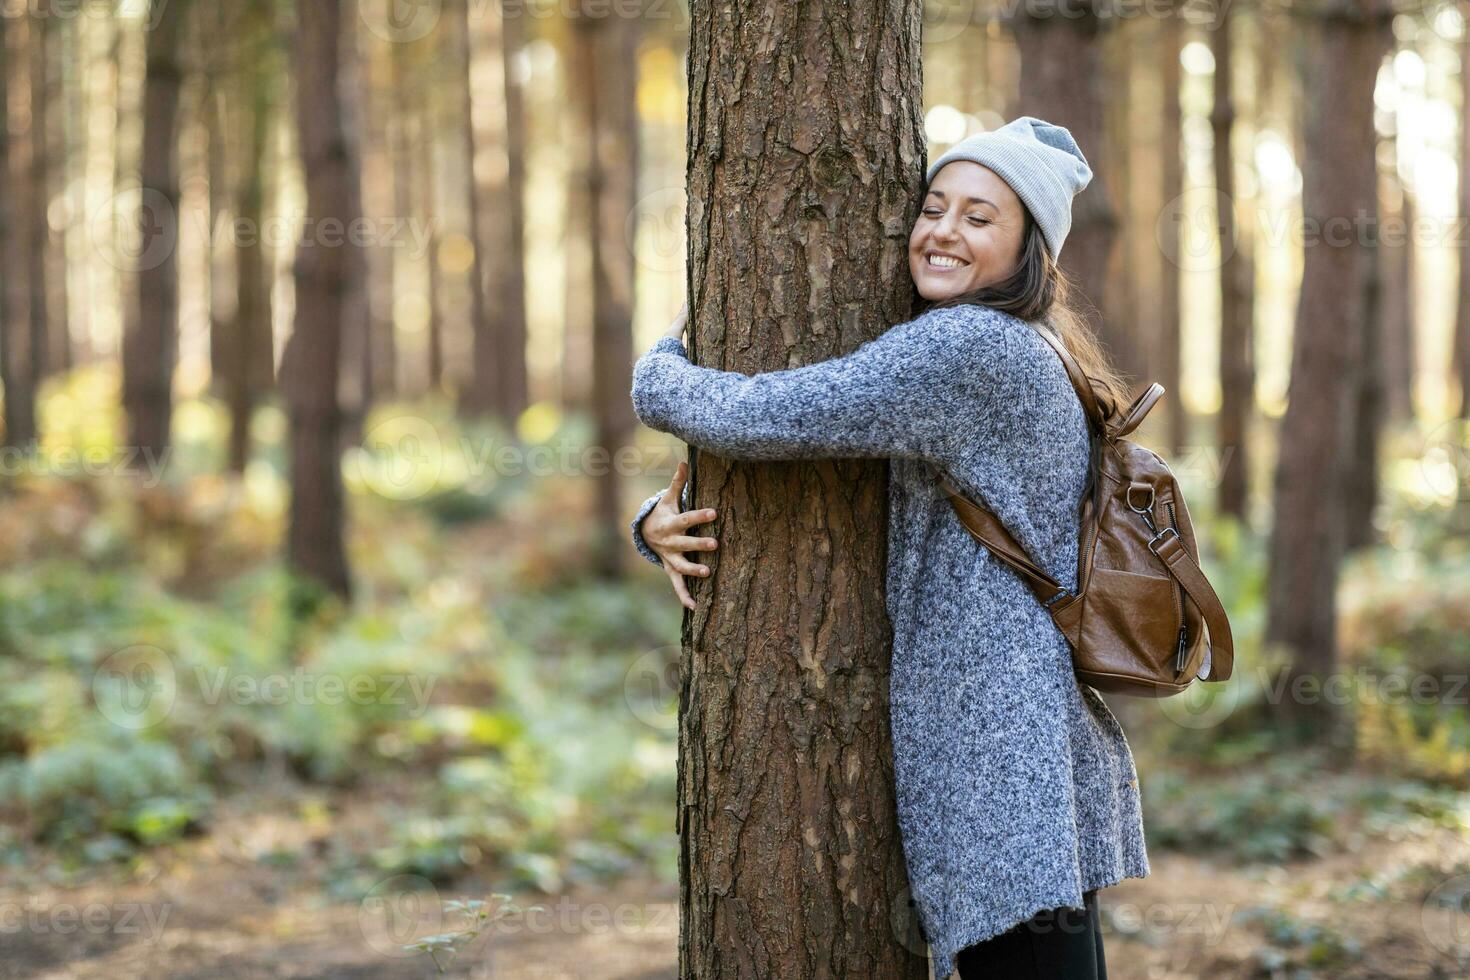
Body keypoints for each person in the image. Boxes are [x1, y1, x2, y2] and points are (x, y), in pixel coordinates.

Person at [627, 116, 1143, 980]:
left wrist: (659, 365)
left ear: (1028, 251)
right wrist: (655, 519)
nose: (943, 230)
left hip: (994, 746)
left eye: (980, 218)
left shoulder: (969, 347)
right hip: (1016, 736)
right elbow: (852, 492)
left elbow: (763, 417)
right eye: (934, 206)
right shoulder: (1013, 345)